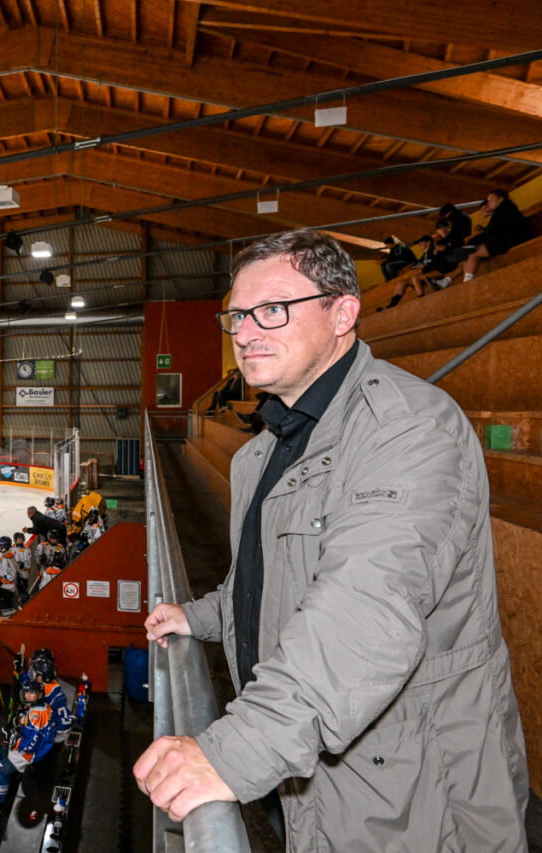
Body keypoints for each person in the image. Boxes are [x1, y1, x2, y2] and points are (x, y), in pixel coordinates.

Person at [136, 229, 527, 850]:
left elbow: (367, 611)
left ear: (343, 312)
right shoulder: (263, 451)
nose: (244, 331)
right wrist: (202, 615)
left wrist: (236, 751)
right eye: (236, 314)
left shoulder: (408, 431)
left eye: (272, 309)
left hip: (409, 785)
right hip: (310, 762)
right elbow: (267, 583)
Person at [0, 679, 56, 820]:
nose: (29, 696)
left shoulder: (36, 716)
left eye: (33, 694)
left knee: (2, 769)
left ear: (39, 695)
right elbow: (31, 729)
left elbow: (30, 745)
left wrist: (12, 738)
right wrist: (18, 722)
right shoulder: (43, 708)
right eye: (27, 693)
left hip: (31, 755)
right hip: (37, 750)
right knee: (0, 754)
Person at [462, 189, 532, 281]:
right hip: (514, 238)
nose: (488, 202)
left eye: (491, 199)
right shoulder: (506, 209)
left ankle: (467, 282)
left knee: (472, 252)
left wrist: (471, 242)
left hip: (512, 239)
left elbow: (490, 232)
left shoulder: (502, 211)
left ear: (501, 199)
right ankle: (466, 280)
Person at [30, 655, 74, 745]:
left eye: (35, 673)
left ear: (40, 677)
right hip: (63, 724)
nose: (32, 674)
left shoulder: (45, 691)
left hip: (57, 732)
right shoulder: (51, 685)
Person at [0, 535, 19, 615]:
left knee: (5, 609)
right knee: (8, 607)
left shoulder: (8, 556)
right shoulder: (6, 554)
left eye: (1, 545)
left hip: (7, 587)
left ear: (5, 546)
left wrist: (2, 580)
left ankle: (9, 621)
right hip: (6, 587)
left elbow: (13, 573)